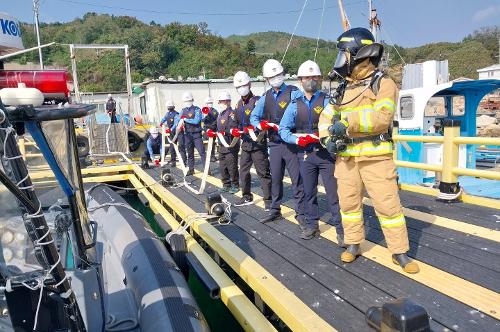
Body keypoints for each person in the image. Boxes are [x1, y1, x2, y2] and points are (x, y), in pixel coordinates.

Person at [318, 27, 419, 273]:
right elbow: (325, 118)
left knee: (388, 206)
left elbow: (382, 117)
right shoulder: (343, 88)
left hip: (375, 158)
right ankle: (353, 244)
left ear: (358, 53)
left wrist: (347, 124)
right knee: (349, 205)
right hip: (346, 159)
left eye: (344, 53)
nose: (341, 59)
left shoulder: (383, 83)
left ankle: (399, 251)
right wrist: (325, 140)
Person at [279, 60, 343, 241]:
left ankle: (341, 229)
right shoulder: (294, 104)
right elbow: (283, 129)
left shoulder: (328, 101)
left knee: (333, 193)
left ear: (320, 79)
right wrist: (297, 138)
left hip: (326, 154)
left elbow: (337, 122)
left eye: (315, 77)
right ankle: (312, 225)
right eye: (307, 77)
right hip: (305, 154)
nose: (311, 80)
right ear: (301, 80)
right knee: (308, 192)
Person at [250, 59, 305, 224]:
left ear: (283, 74)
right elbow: (253, 116)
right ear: (267, 79)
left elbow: (303, 112)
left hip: (291, 144)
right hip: (274, 143)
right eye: (272, 76)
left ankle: (301, 214)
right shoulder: (265, 97)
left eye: (278, 74)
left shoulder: (294, 92)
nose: (276, 78)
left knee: (297, 179)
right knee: (276, 178)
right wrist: (261, 124)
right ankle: (275, 210)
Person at [232, 71, 272, 209]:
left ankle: (268, 200)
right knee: (243, 170)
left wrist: (256, 127)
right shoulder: (238, 104)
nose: (242, 88)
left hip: (258, 143)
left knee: (263, 172)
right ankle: (246, 196)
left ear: (249, 84)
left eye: (243, 85)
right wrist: (235, 129)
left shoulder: (258, 101)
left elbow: (265, 119)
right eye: (239, 87)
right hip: (245, 143)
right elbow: (236, 122)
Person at [173, 91, 206, 176]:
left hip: (196, 134)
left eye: (189, 101)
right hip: (187, 135)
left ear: (192, 100)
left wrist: (185, 120)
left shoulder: (197, 109)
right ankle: (191, 169)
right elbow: (177, 119)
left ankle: (206, 169)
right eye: (186, 101)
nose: (187, 103)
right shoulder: (182, 111)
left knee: (202, 152)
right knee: (190, 153)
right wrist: (176, 125)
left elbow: (196, 121)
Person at [214, 90, 239, 193]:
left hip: (230, 145)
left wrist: (224, 132)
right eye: (220, 101)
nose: (220, 103)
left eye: (222, 101)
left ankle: (235, 185)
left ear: (228, 102)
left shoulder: (231, 114)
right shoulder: (220, 114)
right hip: (221, 145)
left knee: (232, 166)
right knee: (222, 167)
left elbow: (233, 128)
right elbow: (216, 126)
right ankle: (226, 184)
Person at [160, 100, 178, 166]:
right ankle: (172, 160)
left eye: (170, 106)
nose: (169, 108)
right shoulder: (167, 114)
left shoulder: (176, 114)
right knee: (171, 146)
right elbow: (164, 118)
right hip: (170, 133)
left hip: (176, 132)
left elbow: (176, 124)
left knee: (175, 146)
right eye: (168, 106)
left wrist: (171, 130)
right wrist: (161, 122)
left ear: (173, 107)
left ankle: (175, 161)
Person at [202, 96, 219, 162]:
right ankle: (208, 156)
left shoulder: (215, 111)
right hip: (207, 129)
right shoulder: (204, 110)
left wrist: (214, 126)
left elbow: (217, 119)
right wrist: (205, 116)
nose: (210, 104)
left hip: (213, 129)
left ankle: (212, 156)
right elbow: (202, 120)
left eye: (211, 102)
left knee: (213, 143)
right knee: (209, 142)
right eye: (208, 102)